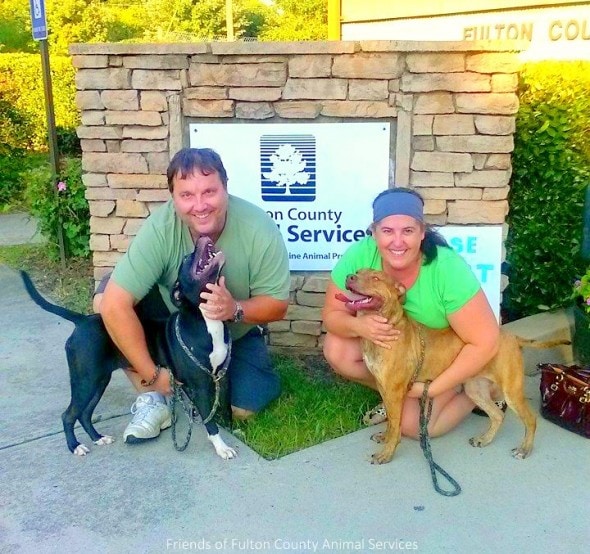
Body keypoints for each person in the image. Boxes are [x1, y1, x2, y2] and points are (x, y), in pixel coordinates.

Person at [95, 147, 290, 443]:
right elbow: (114, 304)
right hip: (172, 325)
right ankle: (154, 400)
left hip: (232, 334)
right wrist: (154, 376)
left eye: (209, 192)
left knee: (242, 409)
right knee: (105, 302)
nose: (199, 205)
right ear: (173, 197)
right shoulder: (161, 227)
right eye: (187, 195)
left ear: (226, 188)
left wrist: (233, 308)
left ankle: (221, 377)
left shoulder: (258, 227)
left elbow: (277, 306)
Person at [321, 187, 500, 439]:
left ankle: (478, 391)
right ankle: (394, 394)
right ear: (374, 233)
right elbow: (332, 315)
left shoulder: (447, 269)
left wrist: (434, 388)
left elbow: (486, 341)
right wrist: (359, 327)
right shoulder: (360, 255)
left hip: (445, 359)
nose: (397, 242)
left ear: (422, 233)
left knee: (416, 428)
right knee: (338, 347)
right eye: (387, 231)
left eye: (407, 231)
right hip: (404, 356)